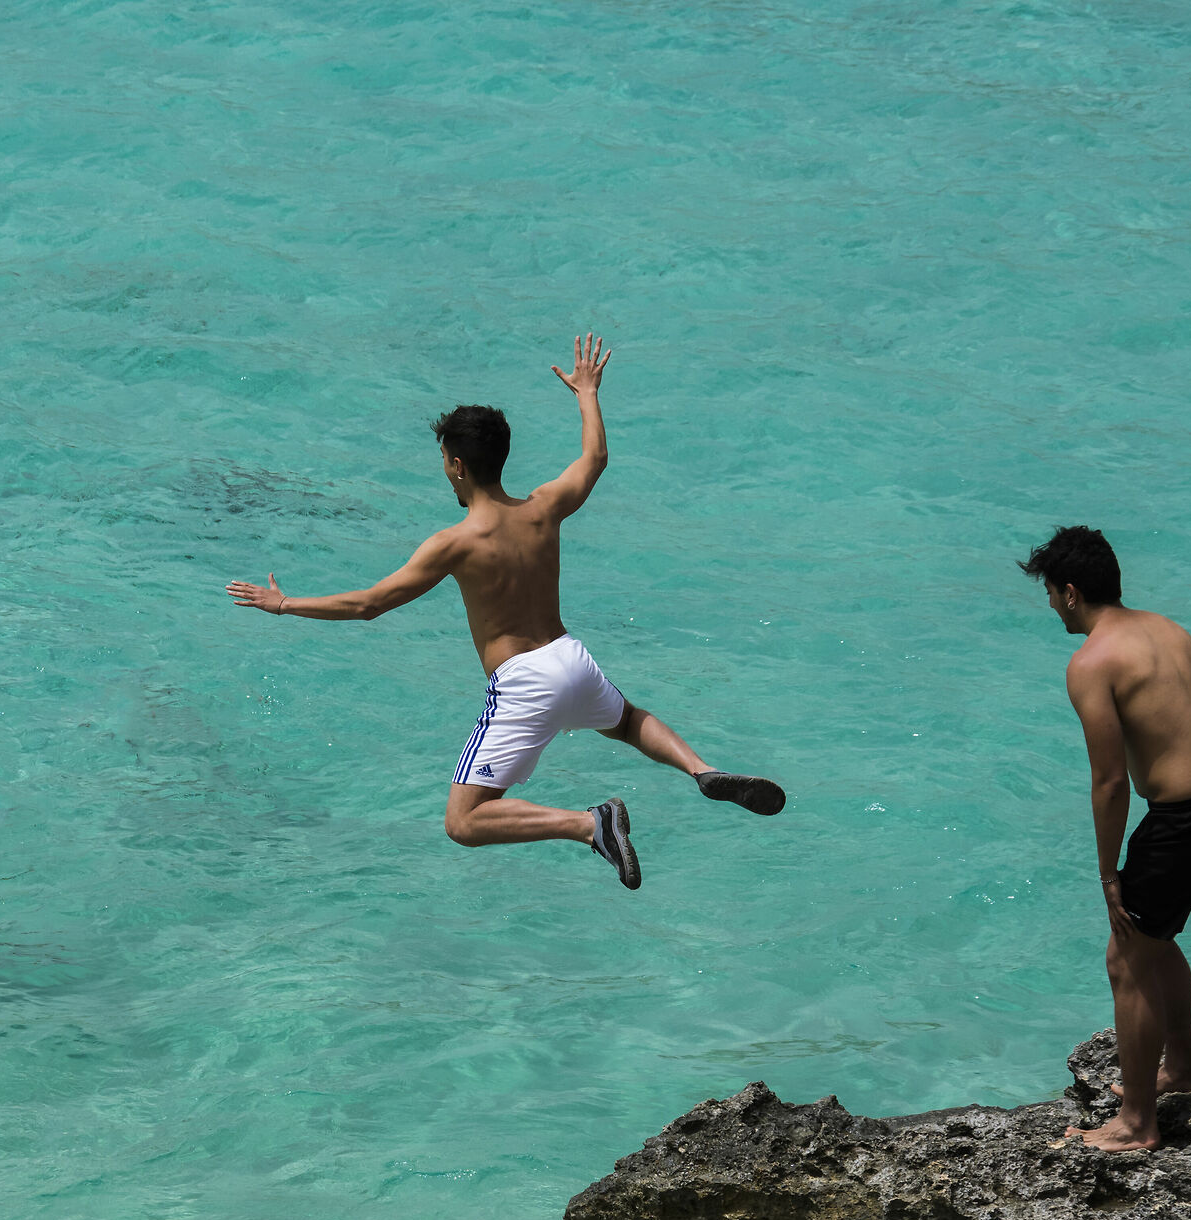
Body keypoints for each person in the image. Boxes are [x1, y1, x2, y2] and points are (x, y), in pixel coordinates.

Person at [225, 334, 785, 890]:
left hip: (524, 681)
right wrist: (587, 393)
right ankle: (702, 769)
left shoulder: (455, 542)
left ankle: (590, 824)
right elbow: (594, 459)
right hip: (572, 659)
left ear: (458, 465)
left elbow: (369, 604)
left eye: (444, 461)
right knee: (626, 721)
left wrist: (285, 604)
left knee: (464, 821)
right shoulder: (543, 508)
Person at [1025, 525, 1191, 1152]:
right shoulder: (1167, 629)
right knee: (1155, 936)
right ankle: (1185, 1068)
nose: (1051, 606)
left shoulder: (1091, 663)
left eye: (1050, 593)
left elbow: (1109, 780)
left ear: (1071, 593)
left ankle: (1136, 1123)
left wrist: (1109, 875)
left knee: (1125, 955)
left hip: (1185, 822)